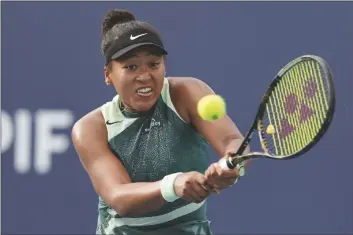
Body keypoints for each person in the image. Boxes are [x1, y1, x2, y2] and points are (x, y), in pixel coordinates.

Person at [72, 9, 250, 235]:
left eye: (153, 64)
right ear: (108, 74)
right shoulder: (91, 128)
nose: (145, 76)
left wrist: (233, 165)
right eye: (131, 67)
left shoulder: (187, 93)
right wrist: (174, 185)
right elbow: (119, 196)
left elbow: (232, 141)